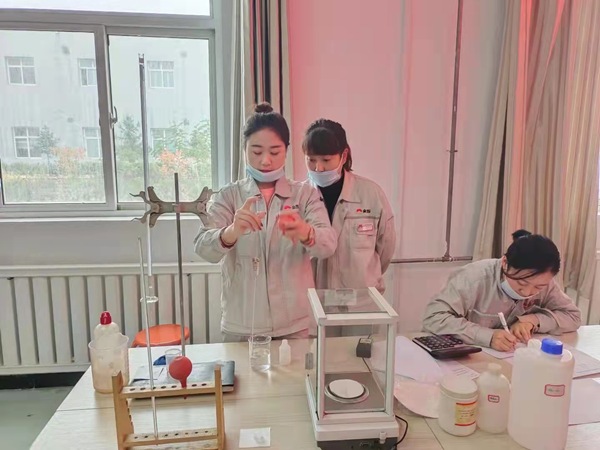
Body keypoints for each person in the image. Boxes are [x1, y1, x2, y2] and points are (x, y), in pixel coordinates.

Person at [194, 103, 337, 341]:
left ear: (286, 151)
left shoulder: (305, 195)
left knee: (298, 368)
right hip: (242, 326)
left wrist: (305, 232)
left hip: (295, 324)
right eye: (257, 152)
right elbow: (202, 247)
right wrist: (230, 232)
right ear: (244, 150)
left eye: (275, 152)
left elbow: (329, 245)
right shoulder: (229, 196)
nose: (266, 161)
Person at [422, 230, 582, 352]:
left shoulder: (545, 283)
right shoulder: (473, 278)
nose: (527, 292)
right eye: (521, 282)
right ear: (505, 263)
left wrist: (533, 320)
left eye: (538, 287)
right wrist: (488, 336)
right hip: (466, 358)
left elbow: (573, 316)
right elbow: (434, 318)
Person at [302, 119, 396, 294]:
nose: (318, 168)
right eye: (311, 160)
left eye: (326, 160)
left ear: (343, 156)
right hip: (314, 300)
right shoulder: (300, 198)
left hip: (361, 301)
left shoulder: (371, 194)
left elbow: (385, 250)